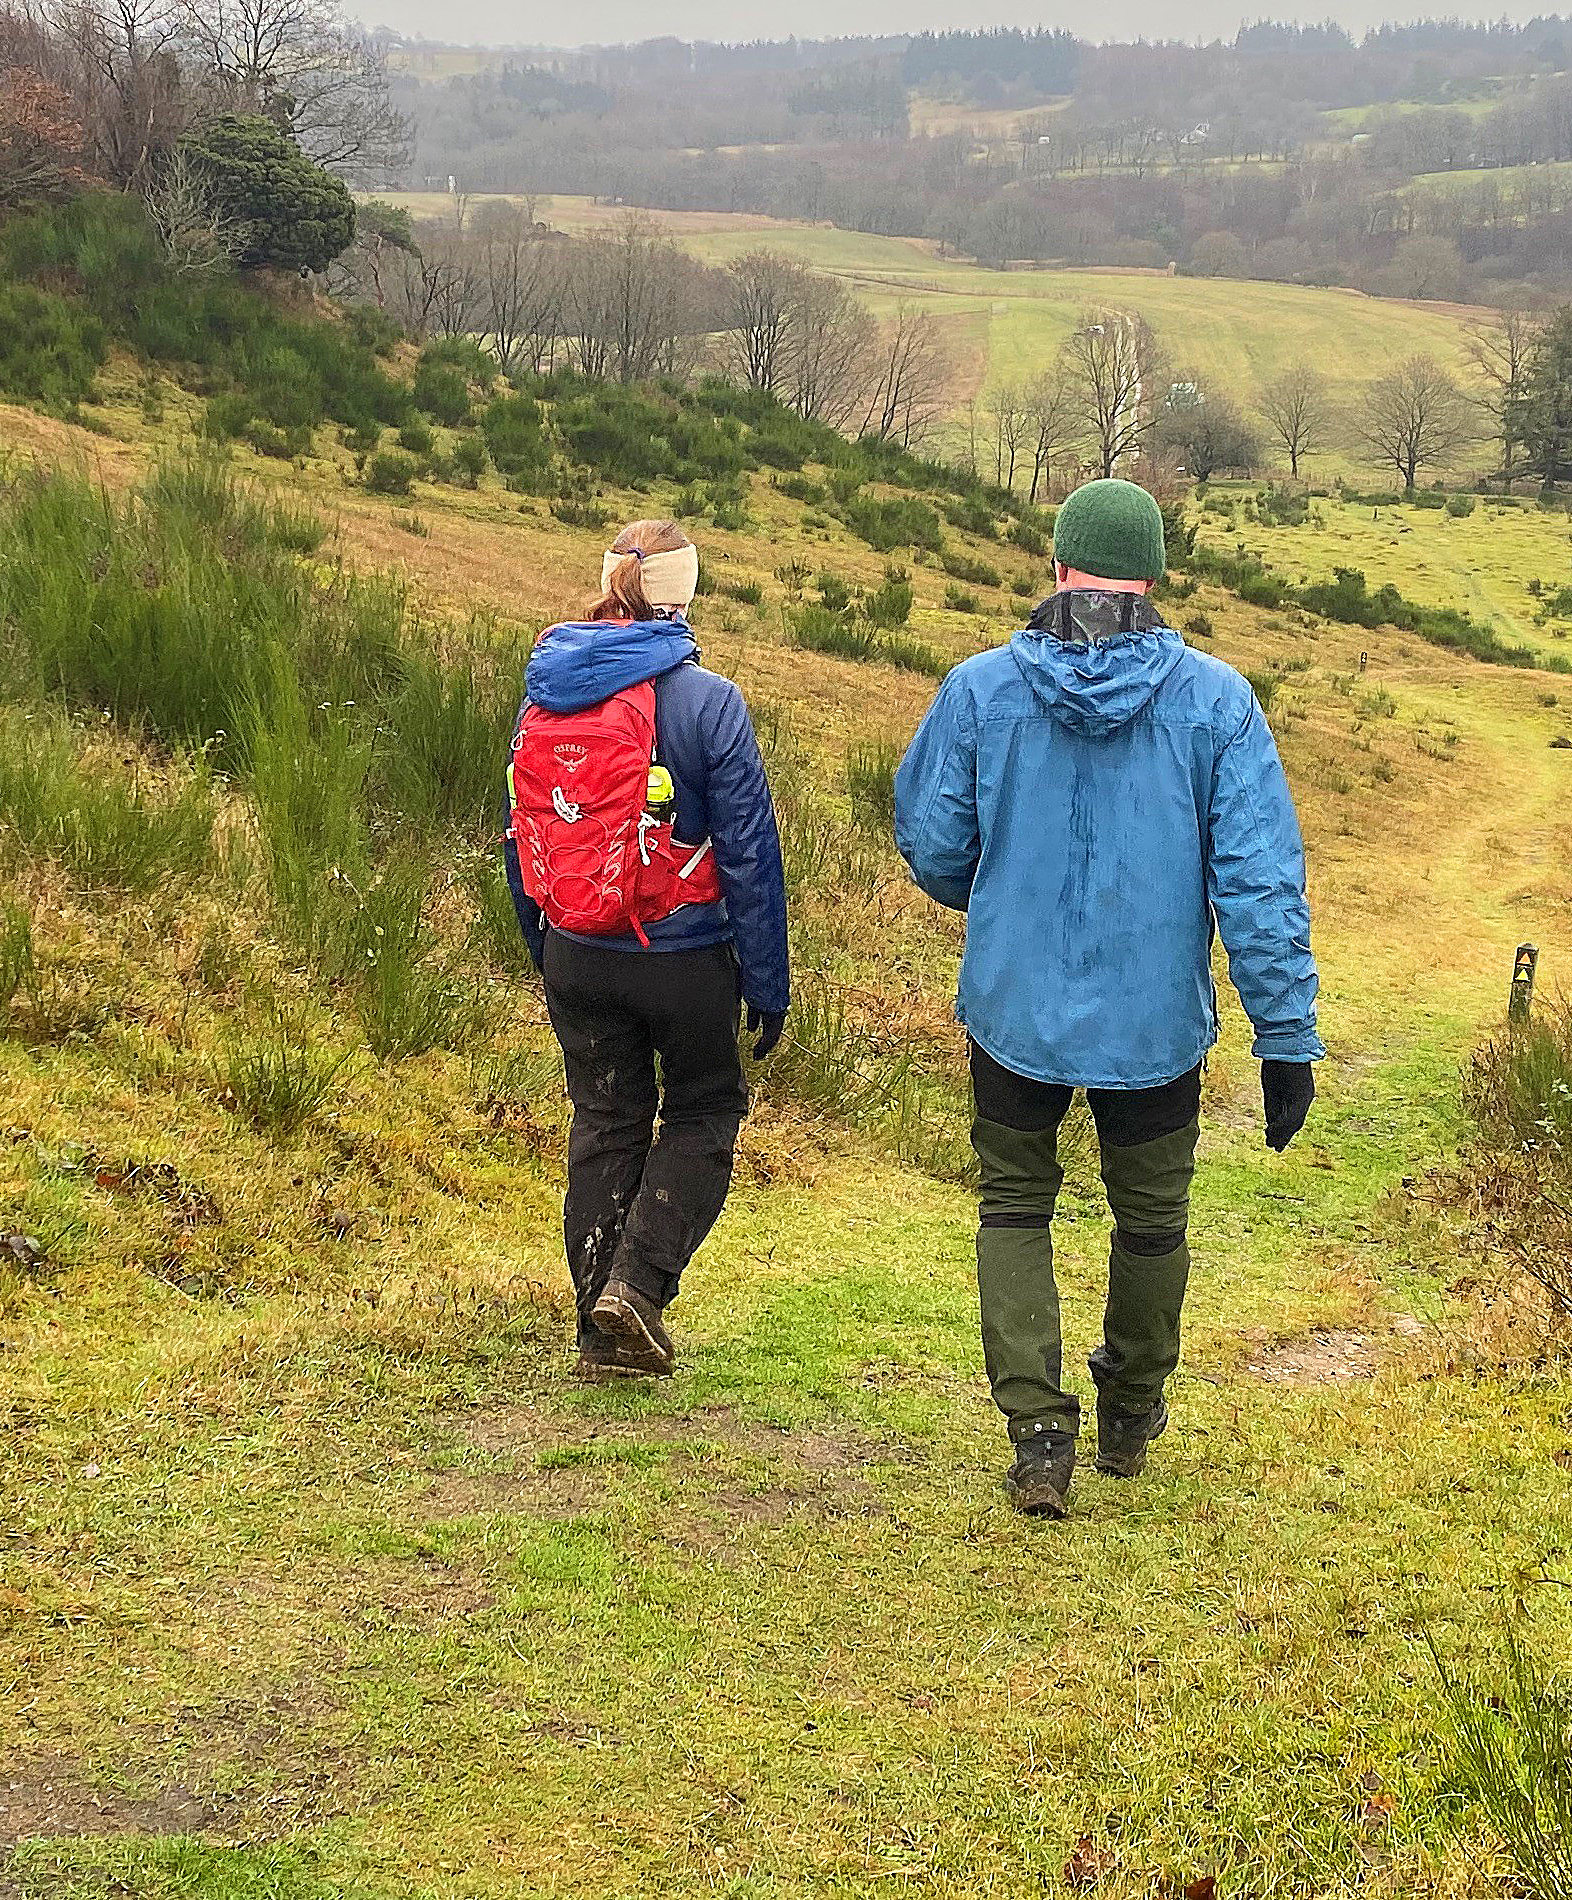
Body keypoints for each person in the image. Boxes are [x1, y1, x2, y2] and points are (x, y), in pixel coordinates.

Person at [892, 477, 1322, 1517]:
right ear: (1157, 578)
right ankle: (1131, 1409)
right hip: (1155, 1023)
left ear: (1056, 568)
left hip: (1012, 1007)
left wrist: (1000, 897)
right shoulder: (1218, 702)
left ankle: (1039, 1436)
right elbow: (1257, 881)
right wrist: (1285, 1034)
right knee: (1153, 1219)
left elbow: (936, 847)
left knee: (1013, 1206)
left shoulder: (979, 691)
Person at [505, 517, 789, 1379]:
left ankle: (599, 1337)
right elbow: (750, 855)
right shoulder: (712, 703)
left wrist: (544, 947)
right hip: (685, 956)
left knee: (604, 1120)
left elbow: (522, 838)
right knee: (705, 1109)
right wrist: (768, 986)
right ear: (685, 591)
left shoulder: (545, 694)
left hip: (575, 950)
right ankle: (635, 1287)